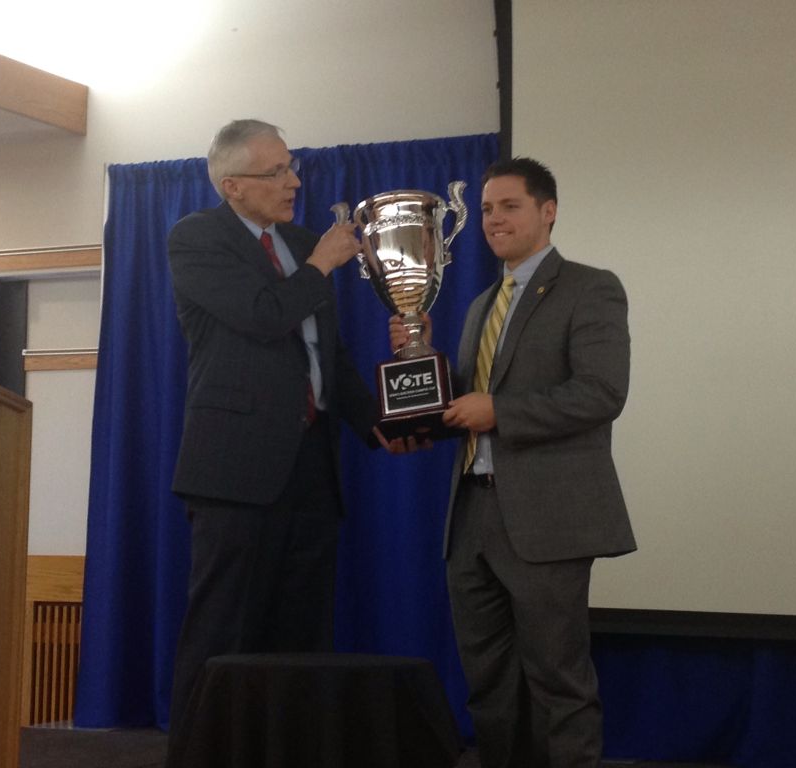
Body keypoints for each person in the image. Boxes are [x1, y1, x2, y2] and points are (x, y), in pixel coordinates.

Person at [162, 119, 405, 765]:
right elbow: (264, 317)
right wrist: (322, 264)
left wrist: (383, 426)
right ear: (233, 184)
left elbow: (331, 356)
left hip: (311, 466)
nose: (294, 180)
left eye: (292, 167)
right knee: (222, 632)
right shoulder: (196, 239)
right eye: (277, 171)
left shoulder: (300, 241)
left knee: (301, 637)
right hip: (234, 470)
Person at [391, 157, 636, 768]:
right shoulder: (479, 305)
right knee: (489, 686)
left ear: (548, 211)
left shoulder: (590, 286)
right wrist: (420, 402)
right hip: (471, 514)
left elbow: (602, 393)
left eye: (510, 206)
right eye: (487, 209)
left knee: (559, 682)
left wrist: (498, 410)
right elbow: (471, 402)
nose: (494, 219)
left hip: (546, 522)